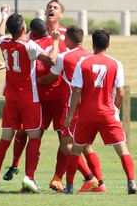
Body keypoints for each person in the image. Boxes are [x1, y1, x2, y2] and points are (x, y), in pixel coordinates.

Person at [0, 5, 59, 193]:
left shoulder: (4, 43)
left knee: (5, 140)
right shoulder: (29, 46)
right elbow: (52, 59)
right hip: (30, 99)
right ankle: (29, 177)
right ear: (23, 29)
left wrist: (3, 15)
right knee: (34, 137)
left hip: (10, 99)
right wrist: (55, 42)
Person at [3, 0, 69, 186]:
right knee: (28, 130)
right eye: (49, 7)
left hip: (59, 94)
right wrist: (6, 65)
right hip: (36, 95)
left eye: (56, 8)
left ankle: (61, 178)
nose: (51, 9)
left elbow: (71, 59)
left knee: (67, 139)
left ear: (61, 15)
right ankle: (19, 168)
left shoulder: (64, 35)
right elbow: (20, 55)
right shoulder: (31, 35)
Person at [63, 29, 136, 195]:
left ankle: (69, 186)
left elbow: (76, 91)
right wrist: (115, 107)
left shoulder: (83, 63)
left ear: (93, 44)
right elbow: (121, 93)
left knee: (75, 149)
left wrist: (69, 115)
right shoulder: (116, 63)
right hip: (108, 113)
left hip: (87, 114)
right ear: (108, 45)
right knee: (122, 149)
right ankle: (131, 182)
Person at [41, 24, 103, 194]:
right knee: (86, 146)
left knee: (66, 146)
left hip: (73, 108)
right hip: (90, 108)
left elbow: (51, 77)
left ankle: (90, 178)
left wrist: (35, 80)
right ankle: (101, 184)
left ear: (68, 39)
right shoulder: (91, 56)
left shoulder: (64, 57)